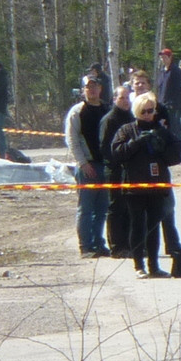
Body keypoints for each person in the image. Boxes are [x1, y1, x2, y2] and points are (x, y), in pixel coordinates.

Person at [109, 91, 181, 277]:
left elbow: (176, 154)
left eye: (151, 111)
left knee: (153, 226)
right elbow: (117, 154)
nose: (148, 115)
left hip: (157, 186)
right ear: (137, 111)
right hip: (134, 187)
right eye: (144, 111)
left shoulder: (161, 130)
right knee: (137, 225)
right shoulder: (126, 130)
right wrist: (136, 143)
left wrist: (162, 150)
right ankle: (138, 265)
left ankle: (154, 265)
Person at [64, 71, 114, 257]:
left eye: (94, 86)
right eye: (88, 87)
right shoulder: (77, 112)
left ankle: (98, 243)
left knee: (102, 208)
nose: (91, 89)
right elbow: (72, 139)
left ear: (100, 88)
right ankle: (85, 246)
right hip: (87, 166)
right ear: (83, 90)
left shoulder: (107, 109)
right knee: (86, 208)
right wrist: (82, 163)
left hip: (105, 166)